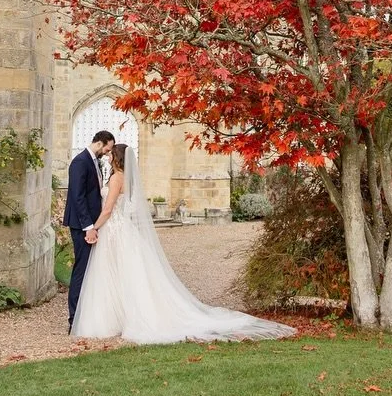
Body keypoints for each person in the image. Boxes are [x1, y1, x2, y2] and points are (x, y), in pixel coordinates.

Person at [70, 143, 295, 344]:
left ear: (116, 158)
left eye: (111, 154)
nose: (108, 156)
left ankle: (115, 318)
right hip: (123, 230)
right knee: (124, 275)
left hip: (113, 230)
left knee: (113, 274)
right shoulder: (127, 177)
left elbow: (108, 209)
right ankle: (122, 316)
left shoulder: (116, 178)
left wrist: (94, 228)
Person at [62, 130, 114, 332]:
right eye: (107, 148)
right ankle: (74, 319)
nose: (107, 153)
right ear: (100, 143)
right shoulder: (80, 162)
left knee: (91, 269)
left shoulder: (94, 161)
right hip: (82, 225)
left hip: (93, 223)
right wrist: (88, 227)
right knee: (81, 271)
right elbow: (77, 197)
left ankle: (87, 314)